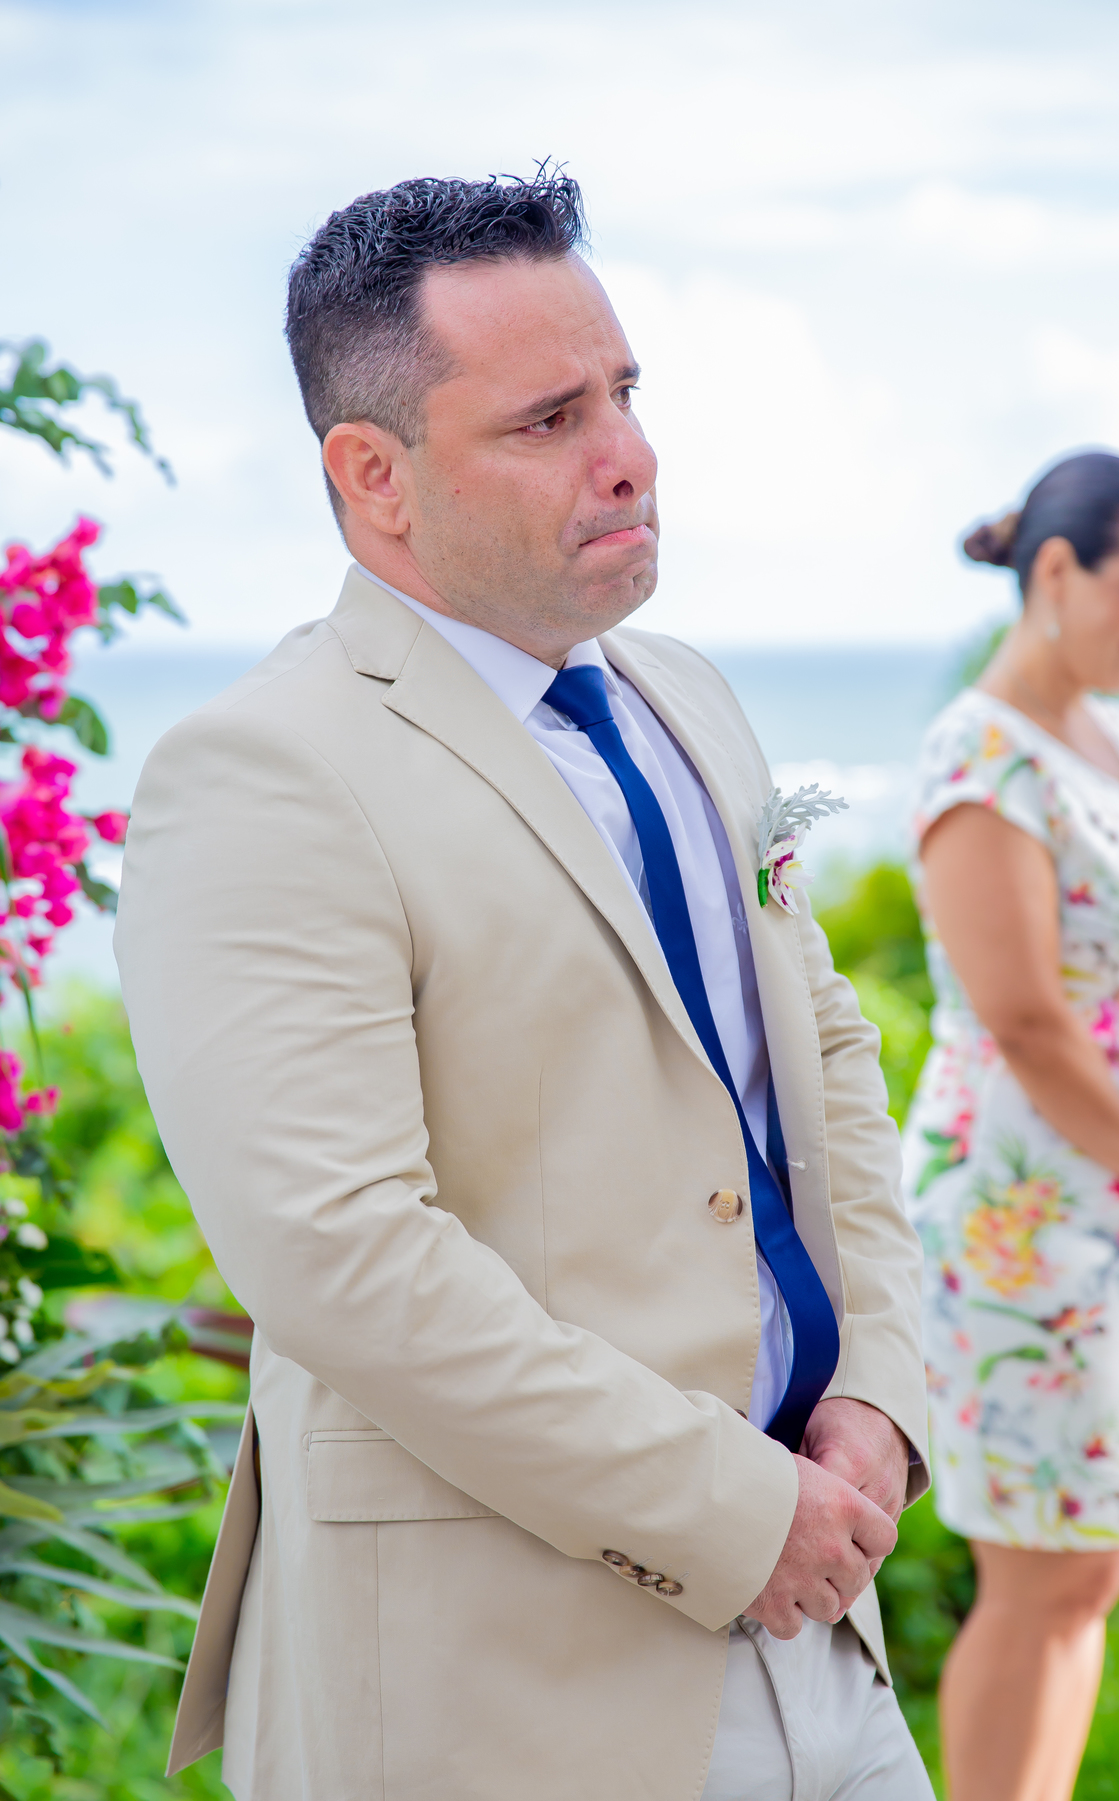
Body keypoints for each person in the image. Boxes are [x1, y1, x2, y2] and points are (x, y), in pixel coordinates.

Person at [115, 170, 932, 1801]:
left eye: (625, 392)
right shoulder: (264, 772)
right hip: (499, 1689)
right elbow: (342, 1257)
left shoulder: (685, 692)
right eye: (550, 417)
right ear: (376, 478)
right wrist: (730, 1507)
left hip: (827, 1649)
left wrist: (877, 1395)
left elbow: (819, 1049)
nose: (627, 450)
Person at [901, 450, 1119, 1801]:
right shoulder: (980, 757)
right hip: (1031, 1217)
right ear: (1059, 571)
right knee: (1034, 1566)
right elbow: (1024, 1014)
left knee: (1092, 1564)